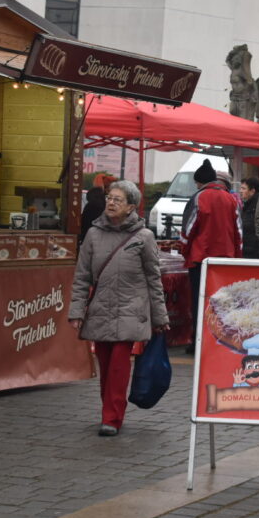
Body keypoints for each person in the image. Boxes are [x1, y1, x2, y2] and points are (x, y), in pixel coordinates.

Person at [68, 181, 169, 436]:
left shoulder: (144, 237)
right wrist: (76, 312)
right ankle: (109, 411)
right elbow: (81, 277)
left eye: (118, 200)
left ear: (131, 207)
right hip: (100, 310)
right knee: (105, 366)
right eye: (110, 198)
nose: (111, 203)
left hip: (130, 311)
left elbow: (154, 279)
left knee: (118, 365)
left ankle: (112, 418)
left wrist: (160, 317)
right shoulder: (93, 234)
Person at [180, 159, 243, 354]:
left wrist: (184, 251)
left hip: (200, 259)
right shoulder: (232, 199)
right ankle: (220, 340)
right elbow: (239, 232)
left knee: (199, 301)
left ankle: (198, 342)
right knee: (222, 303)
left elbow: (188, 229)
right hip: (225, 260)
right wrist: (237, 257)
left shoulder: (199, 197)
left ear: (200, 182)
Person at [239, 177, 259, 258]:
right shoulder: (247, 205)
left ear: (252, 191)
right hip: (248, 250)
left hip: (255, 253)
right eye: (240, 188)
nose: (240, 191)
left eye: (243, 188)